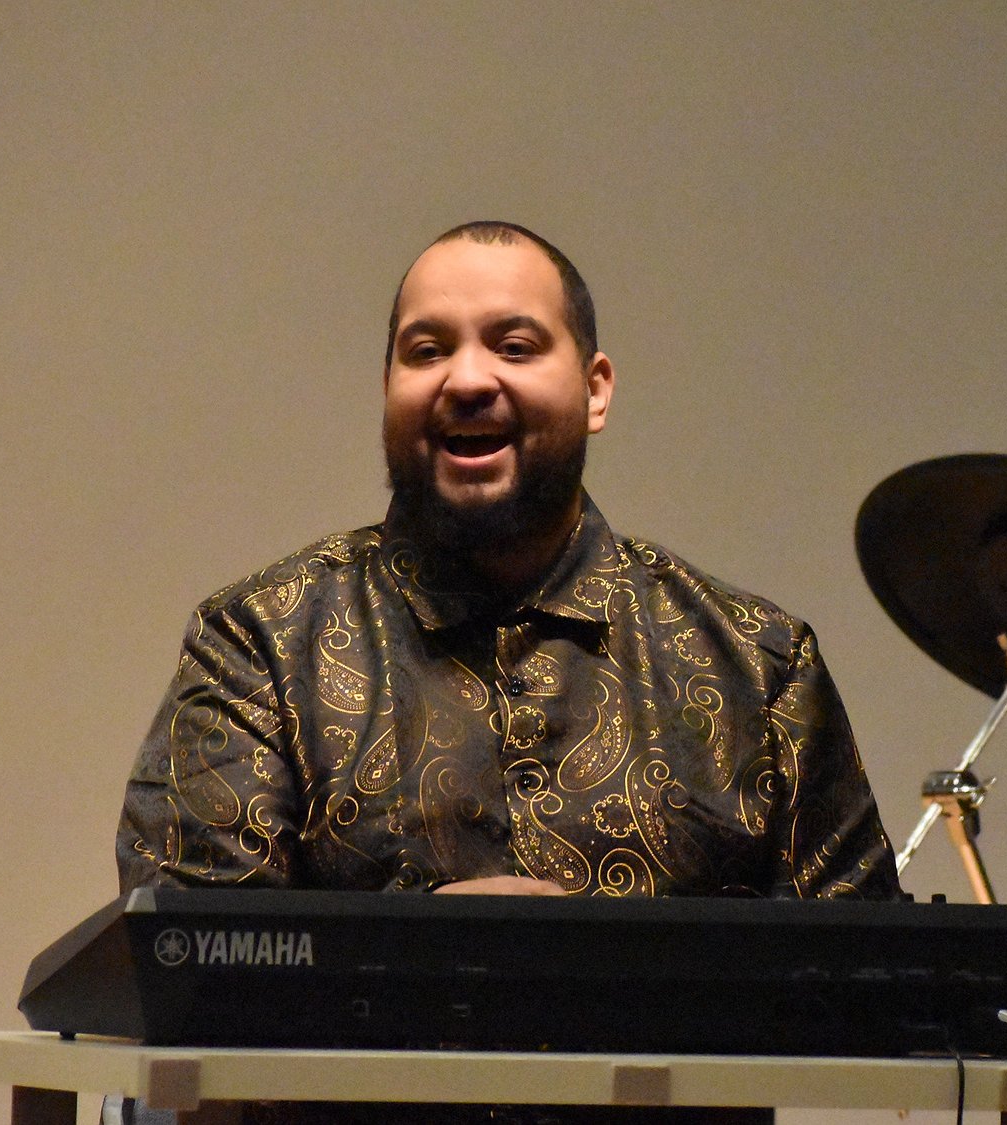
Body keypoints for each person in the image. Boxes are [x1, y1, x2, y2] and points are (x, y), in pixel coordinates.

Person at [113, 221, 901, 1122]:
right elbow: (188, 960)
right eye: (426, 350)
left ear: (594, 389)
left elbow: (869, 984)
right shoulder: (259, 638)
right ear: (387, 389)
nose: (467, 378)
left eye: (514, 345)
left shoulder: (757, 661)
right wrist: (426, 951)